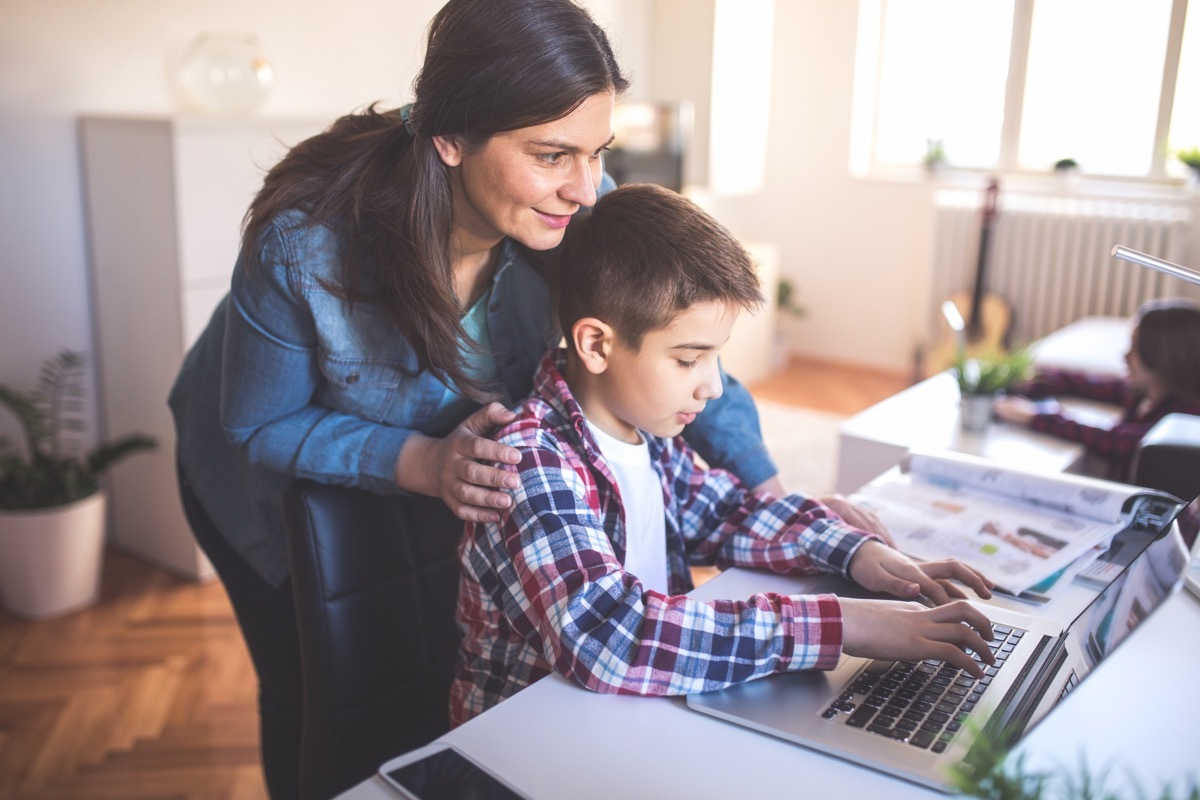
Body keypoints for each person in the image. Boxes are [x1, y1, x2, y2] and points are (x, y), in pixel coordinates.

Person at [167, 1, 870, 794]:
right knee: (311, 689)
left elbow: (672, 349)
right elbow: (258, 421)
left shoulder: (570, 212)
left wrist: (770, 496)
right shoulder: (306, 246)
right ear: (451, 138)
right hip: (264, 478)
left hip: (447, 469)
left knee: (427, 664)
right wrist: (423, 460)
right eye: (551, 154)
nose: (587, 188)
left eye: (599, 150)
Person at [451, 183, 997, 726]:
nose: (713, 387)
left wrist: (859, 554)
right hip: (531, 739)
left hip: (639, 712)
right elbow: (613, 639)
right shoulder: (528, 461)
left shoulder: (648, 436)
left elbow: (728, 512)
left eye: (717, 357)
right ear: (596, 345)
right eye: (690, 359)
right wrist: (845, 624)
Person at [993, 299, 1200, 481]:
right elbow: (1088, 384)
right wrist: (1030, 380)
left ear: (1163, 357)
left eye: (1135, 347)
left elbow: (1123, 442)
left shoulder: (1186, 418)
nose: (1125, 356)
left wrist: (1036, 416)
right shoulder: (1147, 392)